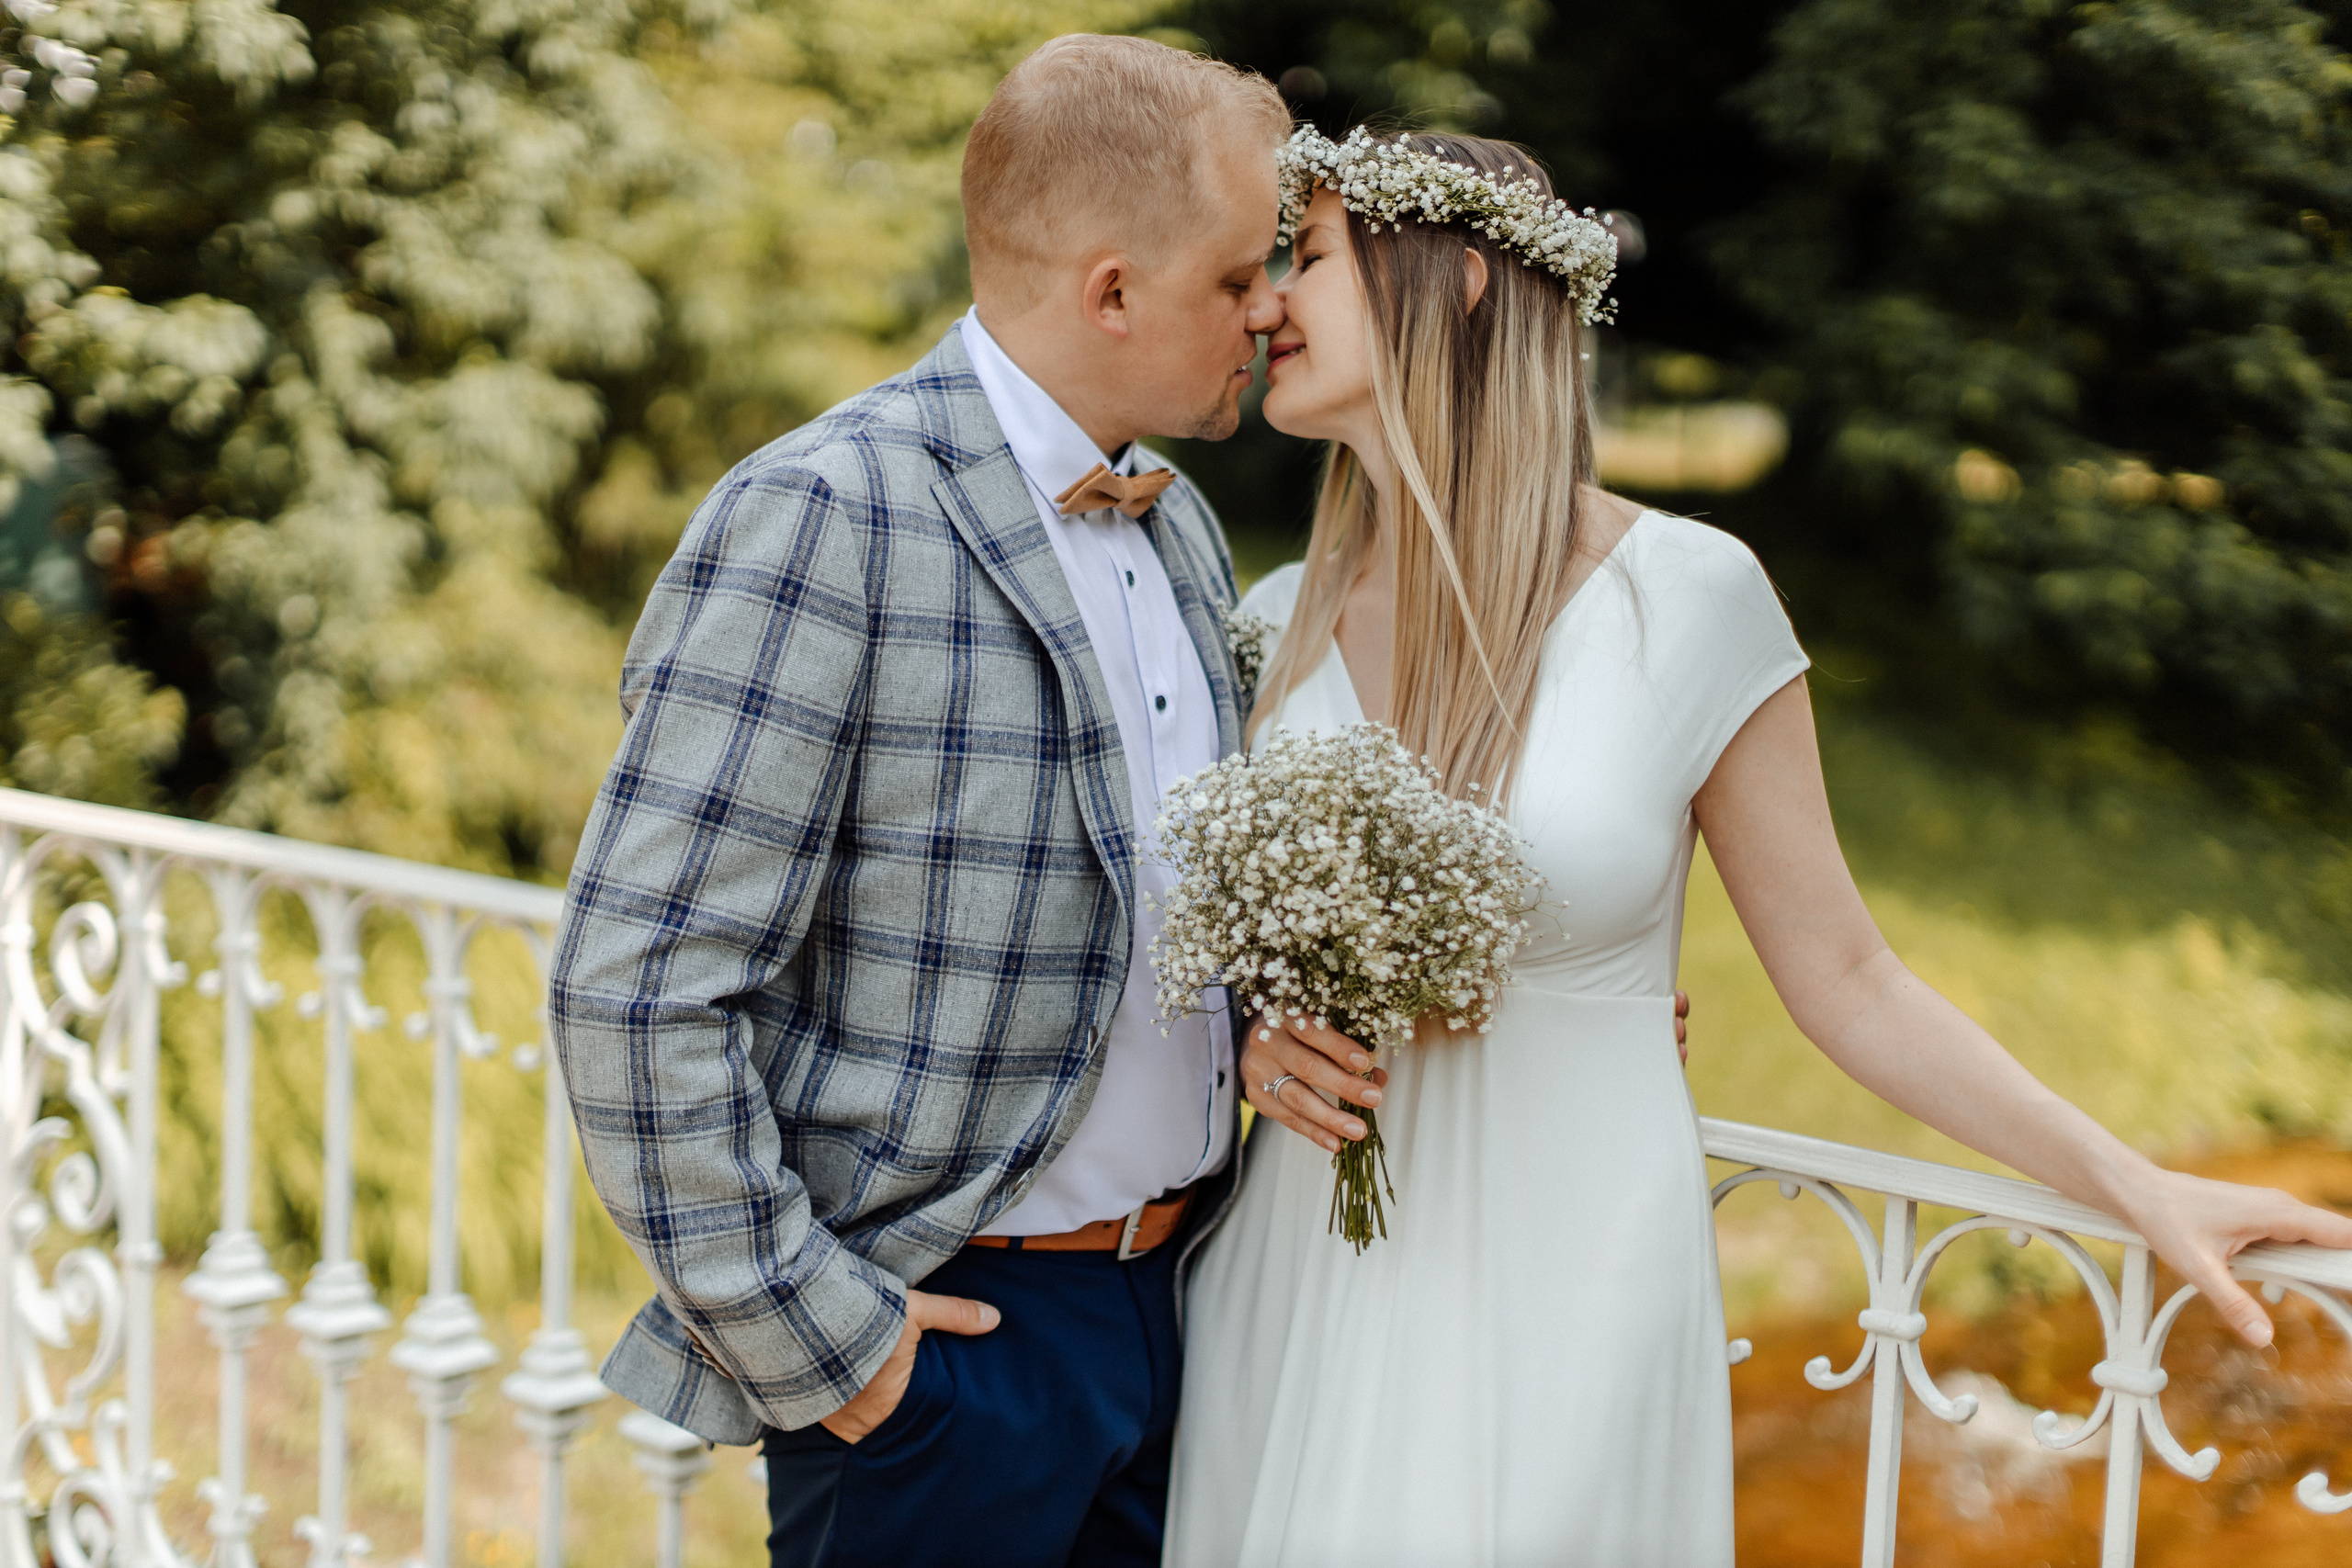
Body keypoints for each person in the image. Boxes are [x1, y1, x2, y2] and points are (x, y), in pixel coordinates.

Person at [1163, 128, 2352, 1567]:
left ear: (1458, 283)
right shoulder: (1271, 621)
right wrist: (1257, 1040)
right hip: (1301, 1272)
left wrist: (2142, 1190)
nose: (1267, 302)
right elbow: (1206, 951)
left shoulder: (1685, 598)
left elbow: (1850, 978)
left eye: (1310, 259)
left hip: (1568, 1290)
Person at [547, 36, 1293, 1568]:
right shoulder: (827, 514)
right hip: (947, 1350)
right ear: (1112, 292)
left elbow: (1152, 908)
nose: (1271, 308)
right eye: (1238, 277)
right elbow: (635, 985)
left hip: (1182, 1316)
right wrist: (836, 1350)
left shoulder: (1187, 530)